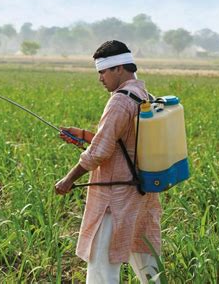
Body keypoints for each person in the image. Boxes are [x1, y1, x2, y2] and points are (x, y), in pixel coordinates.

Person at [55, 40, 162, 283]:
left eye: (102, 71)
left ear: (118, 68)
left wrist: (68, 179)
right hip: (140, 191)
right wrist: (83, 136)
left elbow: (100, 152)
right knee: (144, 255)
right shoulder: (143, 95)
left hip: (115, 196)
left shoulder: (120, 100)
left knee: (102, 262)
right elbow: (122, 143)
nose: (100, 78)